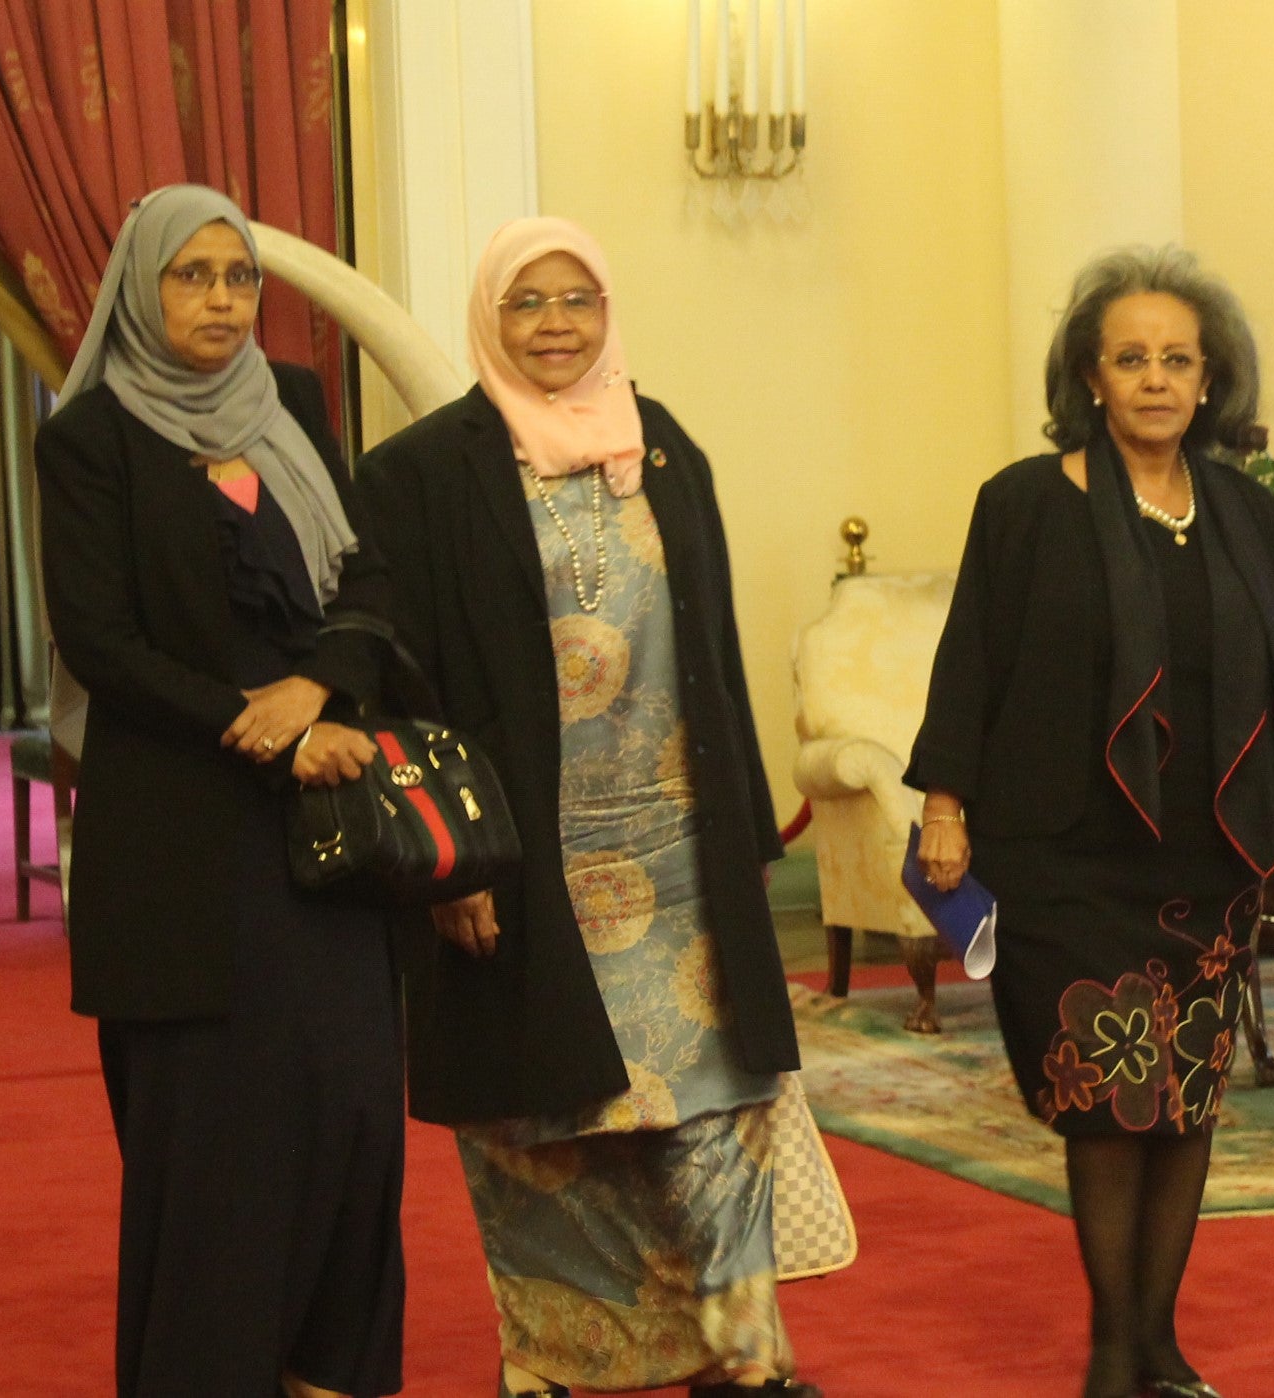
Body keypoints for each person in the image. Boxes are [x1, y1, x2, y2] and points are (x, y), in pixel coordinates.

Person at [907, 245, 1274, 1398]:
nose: (1156, 380)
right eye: (1131, 359)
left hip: (1208, 850)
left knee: (1186, 1104)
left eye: (1177, 360)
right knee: (1107, 1103)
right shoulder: (1023, 504)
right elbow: (972, 658)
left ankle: (1160, 1348)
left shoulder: (1243, 512)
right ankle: (1111, 1353)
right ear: (1091, 376)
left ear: (1210, 381)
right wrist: (941, 803)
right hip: (1066, 851)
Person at [356, 217, 818, 1398]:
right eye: (527, 304)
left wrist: (750, 831)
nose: (555, 326)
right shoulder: (419, 475)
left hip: (678, 859)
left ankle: (745, 1362)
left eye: (577, 301)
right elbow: (403, 686)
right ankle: (558, 1370)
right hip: (525, 864)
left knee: (718, 1110)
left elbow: (711, 649)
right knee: (545, 1130)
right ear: (487, 319)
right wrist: (449, 866)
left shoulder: (662, 447)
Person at [36, 185, 404, 1398]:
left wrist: (322, 690)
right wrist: (267, 730)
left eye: (237, 277)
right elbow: (101, 640)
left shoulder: (292, 406)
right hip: (186, 850)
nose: (218, 299)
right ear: (142, 288)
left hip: (331, 839)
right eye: (190, 276)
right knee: (219, 1149)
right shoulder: (88, 438)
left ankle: (329, 1373)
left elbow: (368, 582)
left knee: (348, 1117)